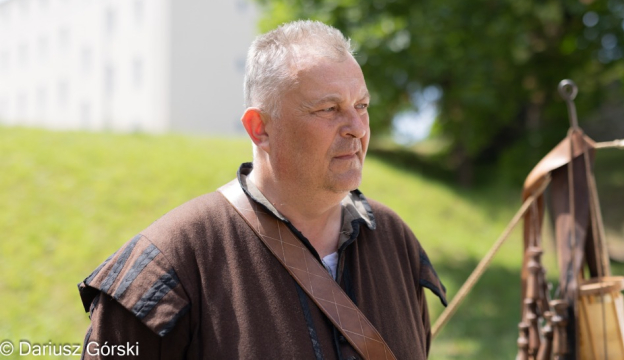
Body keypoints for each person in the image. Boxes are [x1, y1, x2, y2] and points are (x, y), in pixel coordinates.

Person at [78, 20, 447, 359]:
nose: (357, 127)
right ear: (260, 128)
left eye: (361, 105)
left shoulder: (394, 241)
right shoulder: (169, 265)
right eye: (329, 108)